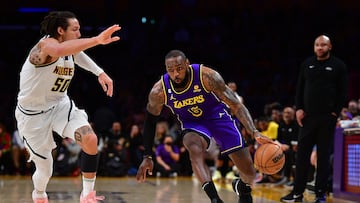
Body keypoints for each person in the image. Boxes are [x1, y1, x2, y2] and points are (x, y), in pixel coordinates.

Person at [136, 49, 273, 203]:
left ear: (187, 64)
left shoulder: (207, 76)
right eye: (171, 70)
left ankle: (242, 186)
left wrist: (254, 131)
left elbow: (236, 105)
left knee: (249, 172)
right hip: (192, 123)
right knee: (193, 147)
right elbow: (150, 121)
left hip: (217, 116)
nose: (176, 74)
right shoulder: (159, 91)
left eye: (179, 68)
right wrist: (147, 156)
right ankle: (215, 199)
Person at [14, 11, 121, 203]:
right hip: (32, 114)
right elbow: (58, 51)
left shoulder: (68, 48)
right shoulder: (45, 46)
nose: (79, 34)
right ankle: (39, 193)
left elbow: (75, 53)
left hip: (60, 105)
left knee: (90, 138)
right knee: (46, 169)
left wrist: (100, 72)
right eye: (75, 30)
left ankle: (87, 195)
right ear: (60, 31)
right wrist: (97, 40)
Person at [280, 35, 348, 203]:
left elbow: (343, 91)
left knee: (323, 158)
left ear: (330, 46)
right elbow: (299, 89)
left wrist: (335, 112)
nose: (319, 48)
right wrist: (299, 109)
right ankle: (297, 193)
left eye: (323, 45)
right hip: (307, 118)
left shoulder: (338, 66)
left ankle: (320, 195)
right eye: (317, 45)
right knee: (301, 157)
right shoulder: (307, 64)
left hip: (327, 118)